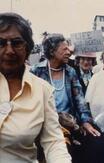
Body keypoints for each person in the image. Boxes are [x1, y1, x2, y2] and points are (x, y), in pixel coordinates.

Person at [0, 13, 71, 162]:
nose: (9, 50)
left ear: (27, 48)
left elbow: (53, 142)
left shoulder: (43, 90)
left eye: (17, 43)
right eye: (1, 43)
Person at [30, 34, 99, 136]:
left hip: (68, 127)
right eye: (64, 49)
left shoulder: (70, 72)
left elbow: (80, 101)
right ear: (52, 51)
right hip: (42, 128)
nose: (69, 53)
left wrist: (86, 122)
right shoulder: (36, 71)